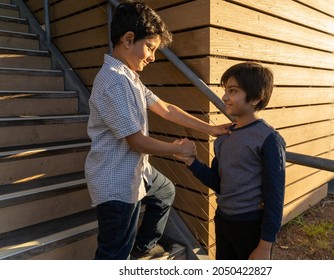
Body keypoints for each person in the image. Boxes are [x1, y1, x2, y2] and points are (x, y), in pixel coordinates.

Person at [84, 0, 229, 260]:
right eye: (150, 47)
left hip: (135, 170)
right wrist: (178, 149)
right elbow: (137, 142)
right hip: (116, 181)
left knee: (164, 191)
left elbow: (166, 108)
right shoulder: (115, 82)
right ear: (128, 39)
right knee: (114, 254)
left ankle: (145, 245)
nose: (153, 56)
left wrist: (211, 128)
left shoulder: (130, 77)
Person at [174, 62, 286, 260]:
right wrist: (191, 161)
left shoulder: (269, 139)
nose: (225, 97)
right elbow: (218, 183)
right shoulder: (224, 136)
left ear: (256, 98)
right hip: (223, 220)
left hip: (251, 226)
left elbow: (274, 196)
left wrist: (265, 245)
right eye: (225, 90)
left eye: (233, 91)